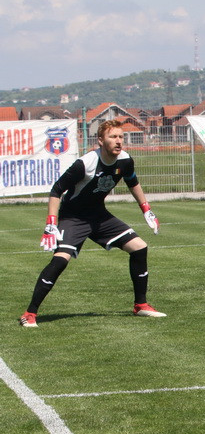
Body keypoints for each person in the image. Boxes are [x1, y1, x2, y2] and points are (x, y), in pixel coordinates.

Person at [19, 119, 164, 328]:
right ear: (100, 141)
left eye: (121, 136)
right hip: (73, 217)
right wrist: (51, 224)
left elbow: (133, 182)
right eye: (113, 137)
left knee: (139, 248)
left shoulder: (125, 160)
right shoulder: (85, 164)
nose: (118, 141)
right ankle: (30, 313)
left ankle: (140, 305)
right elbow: (56, 190)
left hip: (99, 216)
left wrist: (146, 209)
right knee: (60, 260)